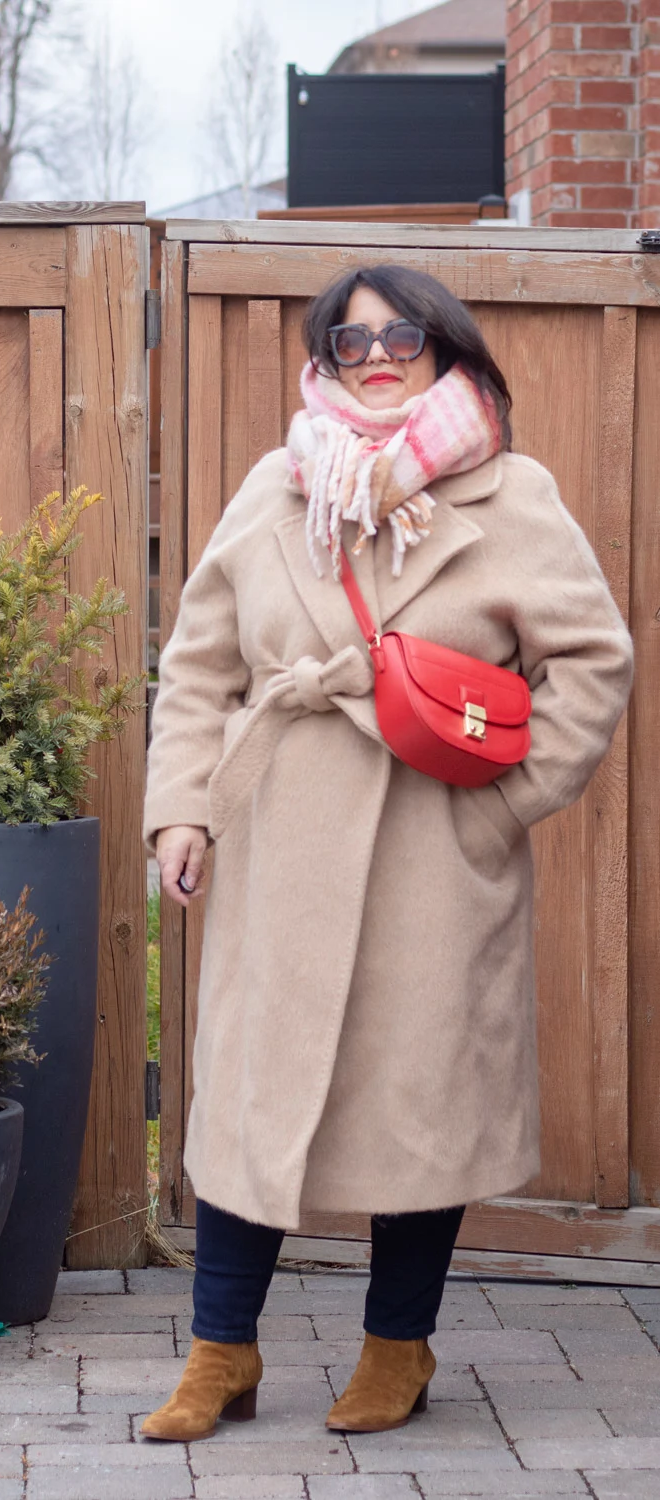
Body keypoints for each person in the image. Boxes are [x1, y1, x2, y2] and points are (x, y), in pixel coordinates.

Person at [140, 264, 634, 1441]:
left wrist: (497, 813)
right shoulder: (276, 488)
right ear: (322, 359)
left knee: (421, 1111)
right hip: (276, 845)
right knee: (248, 1106)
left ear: (444, 349)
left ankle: (395, 1352)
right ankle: (220, 1355)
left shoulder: (511, 495)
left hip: (431, 853)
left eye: (397, 334)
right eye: (345, 338)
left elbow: (592, 663)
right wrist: (183, 809)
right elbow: (200, 662)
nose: (373, 354)